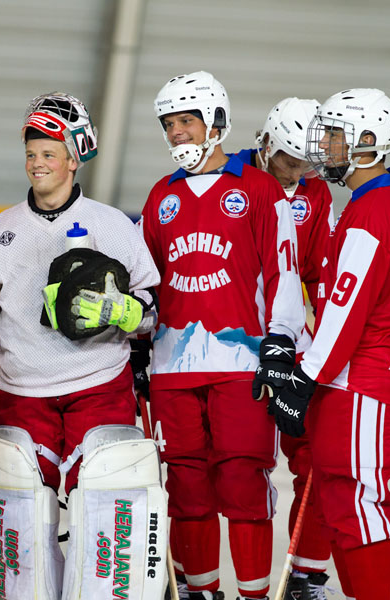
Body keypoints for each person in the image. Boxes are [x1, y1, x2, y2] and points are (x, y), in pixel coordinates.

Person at [0, 92, 162, 596]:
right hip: (20, 392)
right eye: (31, 154)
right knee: (19, 511)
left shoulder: (115, 227)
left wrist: (123, 312)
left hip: (99, 386)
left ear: (74, 158)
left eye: (49, 153)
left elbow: (152, 311)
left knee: (107, 506)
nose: (37, 164)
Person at [138, 72, 305, 600]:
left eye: (187, 121)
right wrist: (138, 348)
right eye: (169, 125)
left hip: (242, 365)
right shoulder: (160, 195)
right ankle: (200, 593)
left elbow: (284, 272)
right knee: (186, 490)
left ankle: (253, 595)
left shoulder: (257, 189)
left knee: (242, 484)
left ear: (215, 121)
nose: (177, 134)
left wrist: (281, 343)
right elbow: (146, 283)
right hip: (172, 368)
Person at [273, 88, 390, 600]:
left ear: (366, 142)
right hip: (367, 373)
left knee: (359, 501)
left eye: (335, 134)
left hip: (358, 378)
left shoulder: (370, 213)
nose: (326, 145)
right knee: (345, 500)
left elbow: (344, 312)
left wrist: (304, 377)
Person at [234, 98, 336, 600]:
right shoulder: (229, 180)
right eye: (289, 160)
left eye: (307, 162)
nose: (298, 171)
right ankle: (195, 578)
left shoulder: (315, 194)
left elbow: (319, 271)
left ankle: (306, 574)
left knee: (315, 456)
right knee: (226, 468)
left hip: (295, 345)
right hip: (233, 347)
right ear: (267, 143)